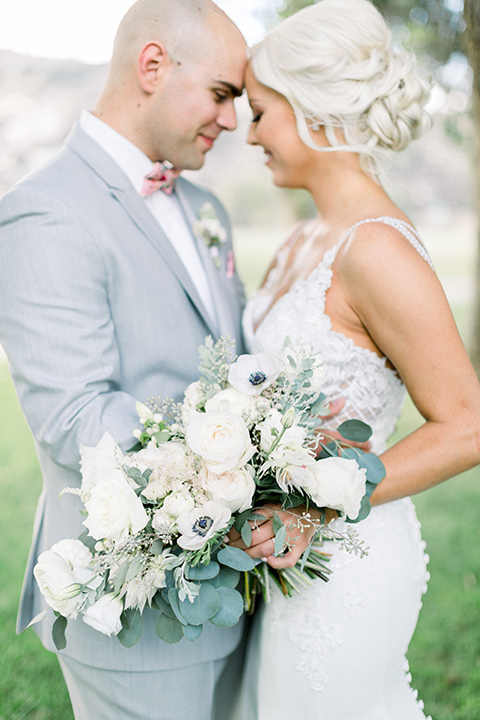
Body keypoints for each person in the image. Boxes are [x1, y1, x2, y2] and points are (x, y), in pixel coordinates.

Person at [230, 1, 480, 717]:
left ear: (312, 109)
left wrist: (314, 508)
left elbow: (466, 425)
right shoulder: (300, 241)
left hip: (348, 561)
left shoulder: (378, 250)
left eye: (260, 112)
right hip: (283, 556)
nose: (250, 136)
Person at [0, 1, 247, 719]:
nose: (232, 121)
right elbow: (74, 416)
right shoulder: (46, 213)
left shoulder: (206, 208)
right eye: (223, 94)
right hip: (134, 607)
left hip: (237, 589)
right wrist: (252, 455)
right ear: (152, 65)